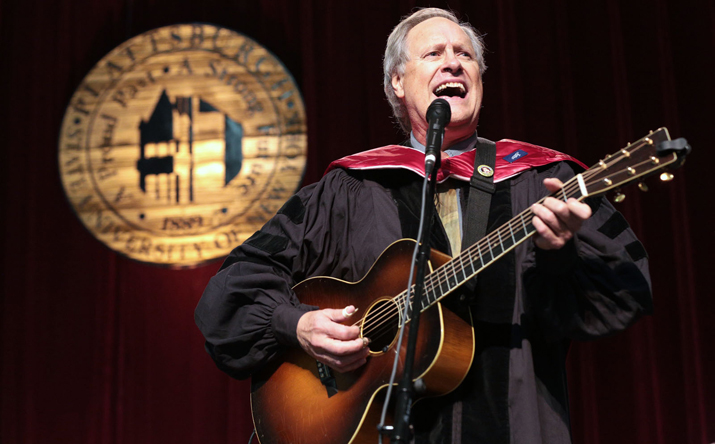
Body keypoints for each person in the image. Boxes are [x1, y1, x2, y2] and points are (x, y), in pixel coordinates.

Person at [195, 7, 652, 444]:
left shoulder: (541, 180)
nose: (453, 64)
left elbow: (623, 288)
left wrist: (560, 254)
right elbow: (231, 290)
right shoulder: (349, 190)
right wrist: (298, 325)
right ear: (397, 81)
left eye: (465, 55)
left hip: (513, 422)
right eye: (434, 54)